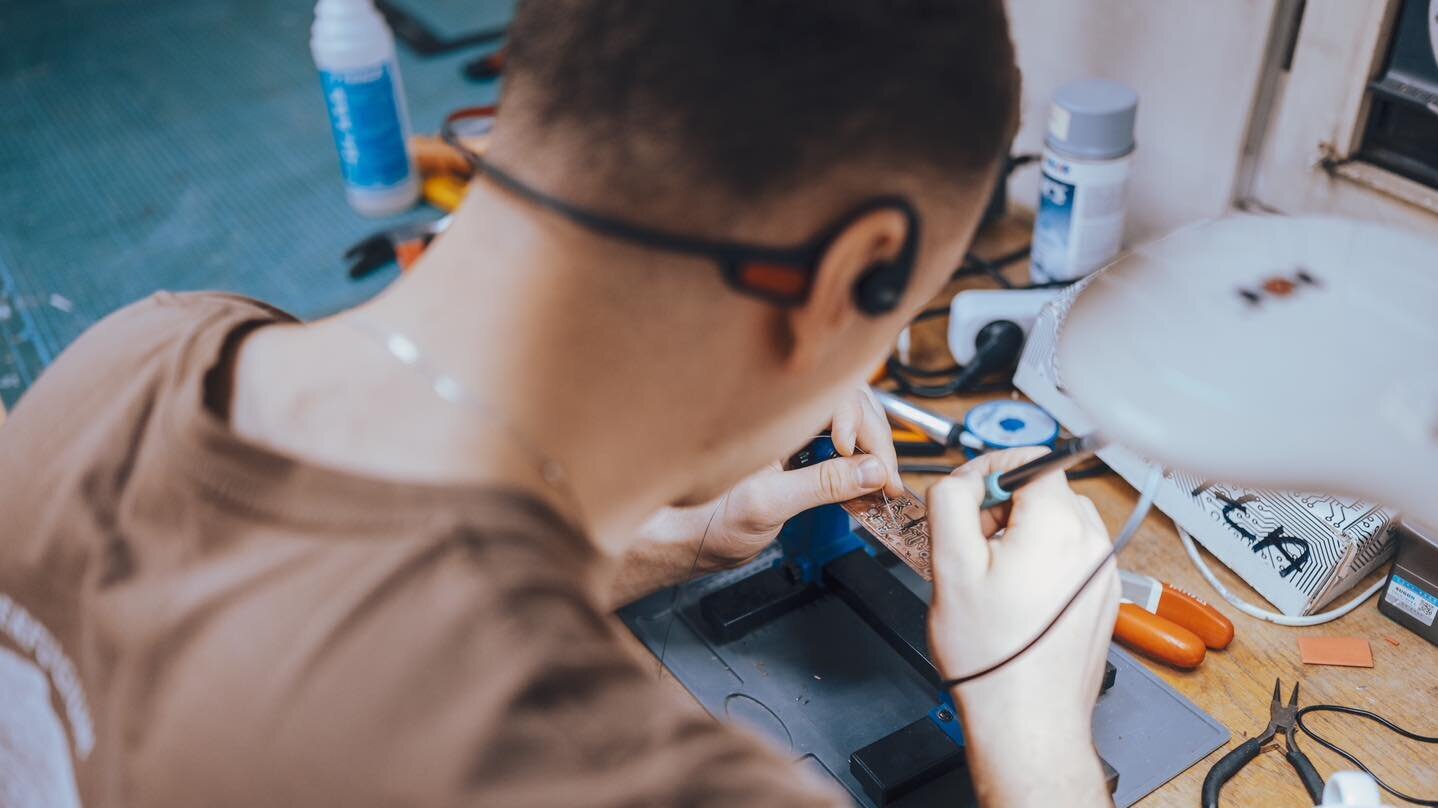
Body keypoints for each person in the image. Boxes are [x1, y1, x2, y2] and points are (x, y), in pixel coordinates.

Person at [0, 1, 1119, 805]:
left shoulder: (139, 350)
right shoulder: (609, 771)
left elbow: (312, 616)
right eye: (893, 317)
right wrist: (1029, 727)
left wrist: (662, 546)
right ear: (849, 278)